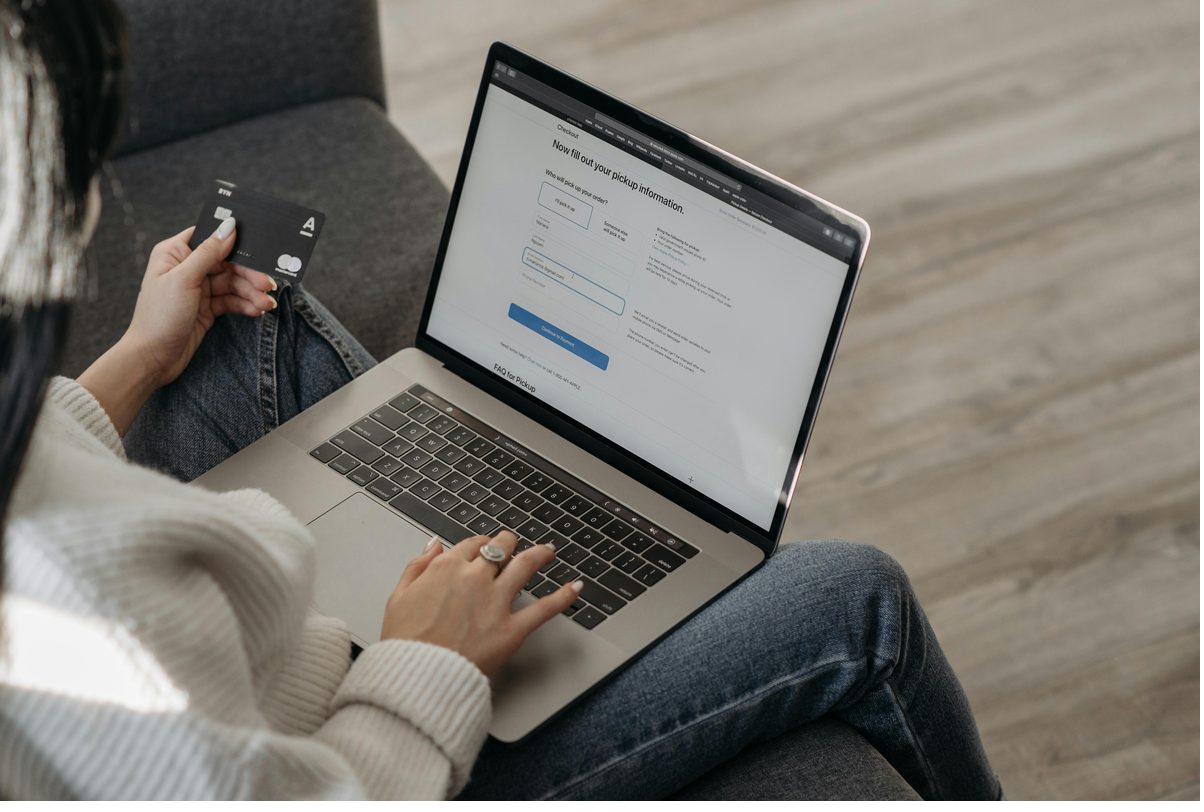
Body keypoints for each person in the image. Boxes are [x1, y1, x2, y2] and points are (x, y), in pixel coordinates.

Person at [0, 0, 1001, 801]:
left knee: (245, 329)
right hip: (360, 739)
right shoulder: (75, 616)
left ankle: (440, 473)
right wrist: (423, 662)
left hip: (262, 654)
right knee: (857, 594)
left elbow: (30, 466)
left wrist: (133, 359)